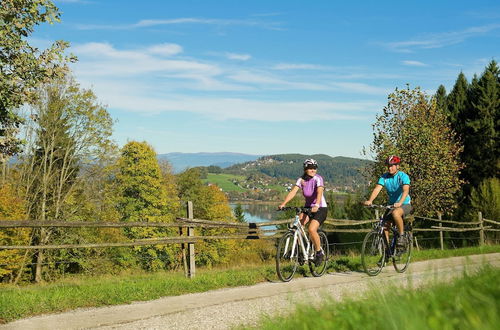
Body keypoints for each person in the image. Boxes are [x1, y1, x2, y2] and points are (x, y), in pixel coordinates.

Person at [279, 158, 328, 266]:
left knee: (311, 229)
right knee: (298, 226)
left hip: (320, 208)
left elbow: (320, 192)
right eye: (310, 168)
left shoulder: (318, 178)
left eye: (314, 168)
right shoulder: (301, 180)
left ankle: (319, 252)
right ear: (305, 169)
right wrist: (284, 203)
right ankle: (300, 251)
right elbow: (293, 192)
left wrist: (316, 204)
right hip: (307, 207)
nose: (312, 170)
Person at [363, 155, 412, 247]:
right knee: (384, 225)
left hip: (404, 204)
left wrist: (400, 202)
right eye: (388, 166)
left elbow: (406, 190)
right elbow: (377, 189)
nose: (390, 168)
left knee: (396, 214)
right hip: (392, 205)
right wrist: (370, 200)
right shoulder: (384, 177)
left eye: (392, 165)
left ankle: (401, 236)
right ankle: (387, 250)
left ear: (397, 166)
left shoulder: (403, 176)